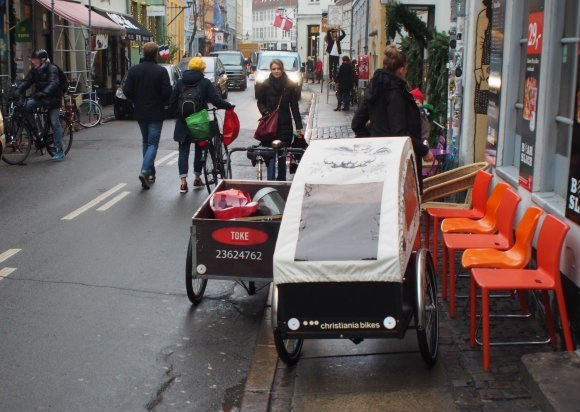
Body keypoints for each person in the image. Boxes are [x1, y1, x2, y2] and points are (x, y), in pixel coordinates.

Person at [351, 45, 434, 189]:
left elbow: (357, 124)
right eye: (406, 68)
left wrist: (374, 142)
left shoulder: (375, 87)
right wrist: (424, 150)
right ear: (401, 69)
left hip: (377, 161)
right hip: (396, 163)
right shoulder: (395, 92)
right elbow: (400, 132)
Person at [171, 56, 234, 193]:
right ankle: (197, 178)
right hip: (199, 121)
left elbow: (172, 101)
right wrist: (228, 105)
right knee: (200, 149)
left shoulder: (180, 82)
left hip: (183, 122)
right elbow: (216, 101)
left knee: (183, 151)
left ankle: (183, 182)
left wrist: (180, 114)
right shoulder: (205, 82)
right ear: (202, 69)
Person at [123, 42, 172, 189]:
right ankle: (145, 171)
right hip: (156, 112)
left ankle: (150, 172)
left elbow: (126, 90)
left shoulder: (134, 71)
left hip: (140, 112)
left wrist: (135, 100)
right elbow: (166, 93)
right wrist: (163, 101)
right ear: (156, 54)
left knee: (146, 141)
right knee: (152, 144)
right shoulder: (161, 71)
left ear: (143, 53)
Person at [256, 59, 303, 181]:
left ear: (282, 69)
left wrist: (298, 125)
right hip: (270, 124)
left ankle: (281, 180)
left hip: (284, 124)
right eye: (273, 69)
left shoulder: (289, 85)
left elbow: (294, 106)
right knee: (270, 154)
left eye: (278, 68)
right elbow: (260, 102)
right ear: (270, 70)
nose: (276, 71)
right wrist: (265, 112)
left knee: (282, 154)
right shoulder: (265, 84)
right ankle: (270, 181)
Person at [18, 49, 65, 160]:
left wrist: (44, 93)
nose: (33, 61)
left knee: (54, 122)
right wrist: (17, 90)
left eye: (35, 60)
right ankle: (36, 132)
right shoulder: (35, 70)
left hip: (53, 99)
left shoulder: (52, 68)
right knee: (27, 106)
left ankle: (59, 150)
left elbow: (54, 83)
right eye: (32, 59)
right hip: (41, 97)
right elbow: (27, 82)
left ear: (42, 60)